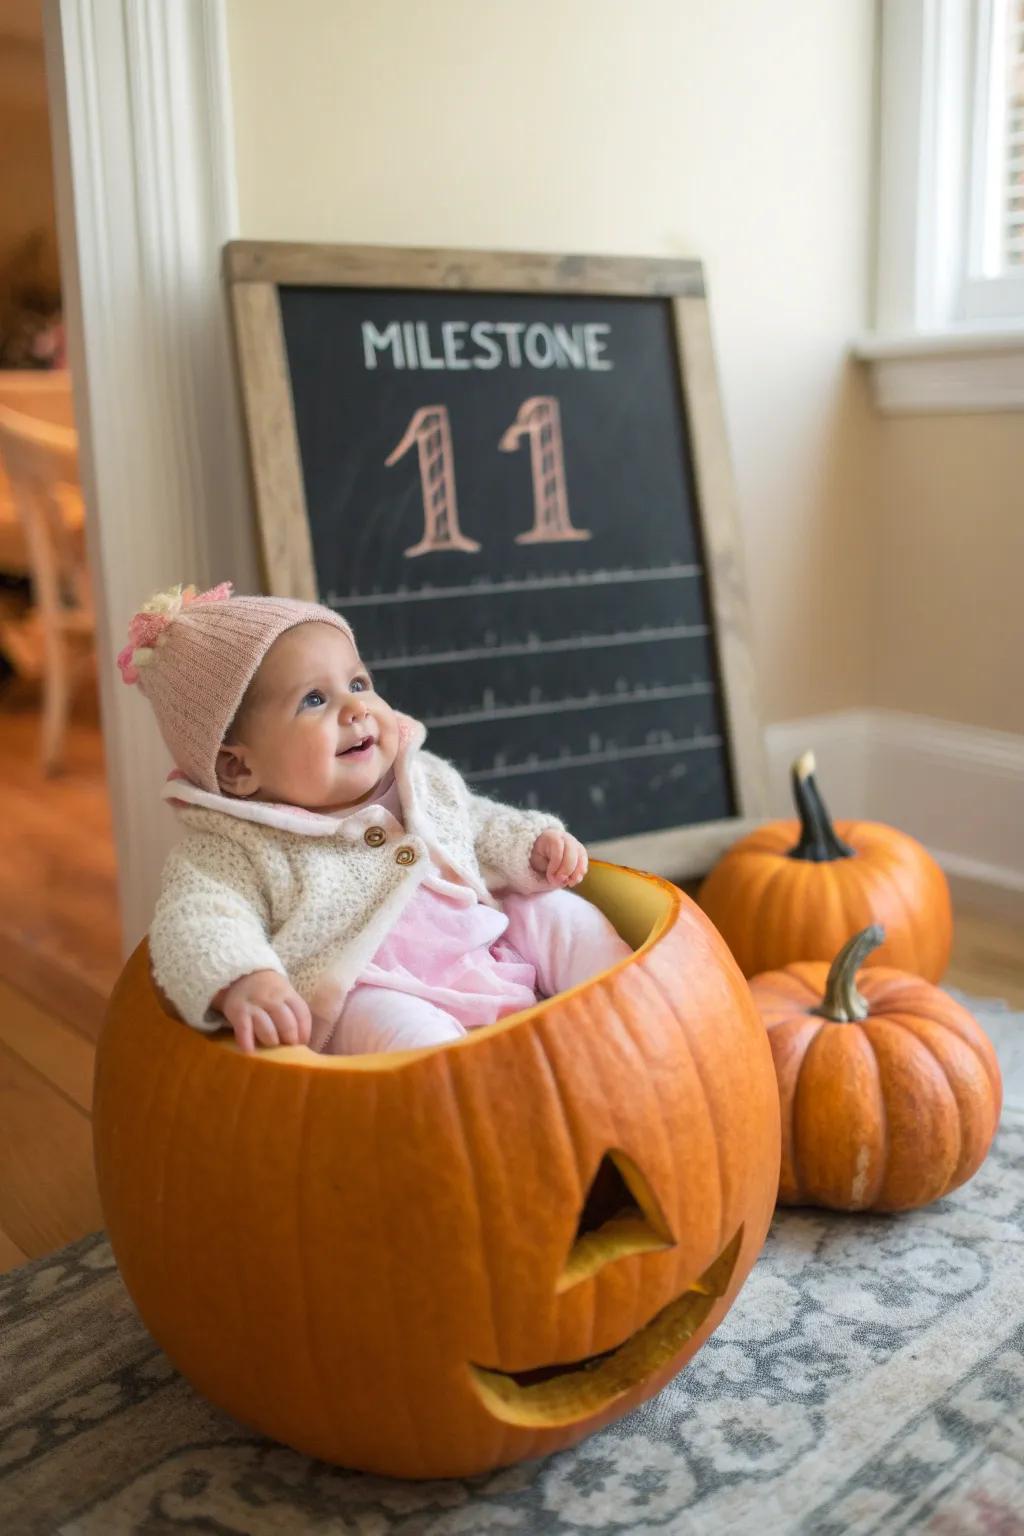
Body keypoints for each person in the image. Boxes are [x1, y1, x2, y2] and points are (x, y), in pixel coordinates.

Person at [119, 581, 633, 1055]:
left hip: (485, 947)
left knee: (548, 909)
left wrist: (529, 845)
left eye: (358, 683)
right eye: (314, 700)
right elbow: (198, 919)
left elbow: (474, 823)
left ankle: (628, 1003)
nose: (355, 709)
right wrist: (244, 980)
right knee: (403, 1032)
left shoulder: (417, 780)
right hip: (367, 989)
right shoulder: (231, 848)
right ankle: (454, 1084)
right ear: (238, 767)